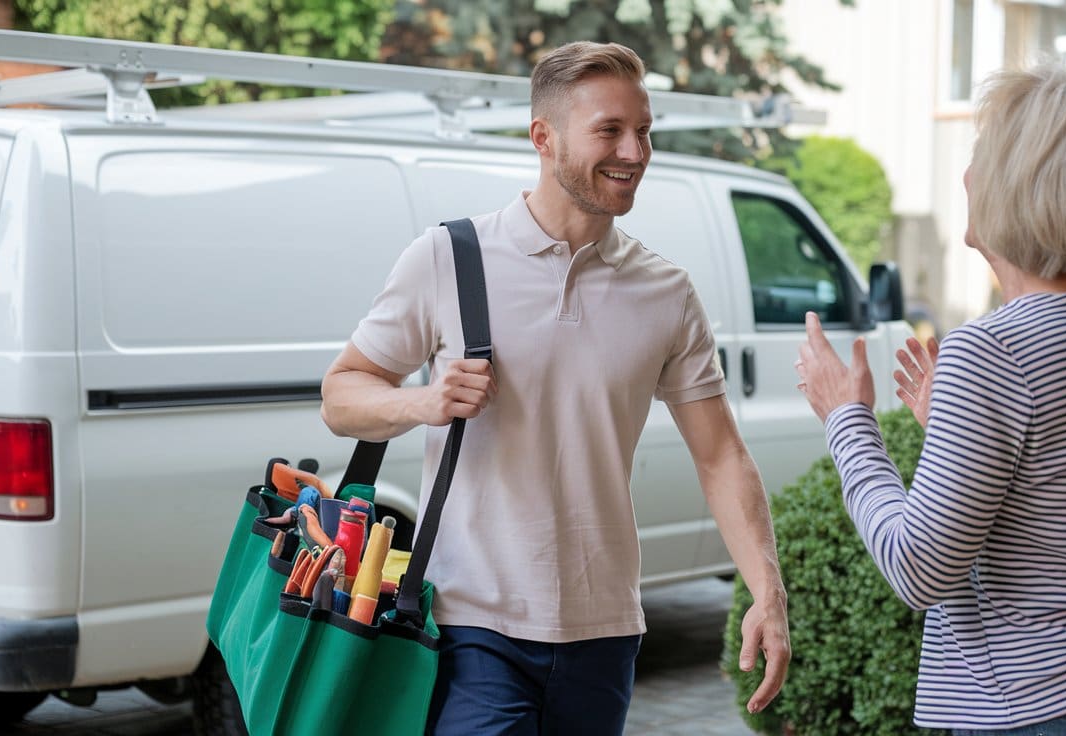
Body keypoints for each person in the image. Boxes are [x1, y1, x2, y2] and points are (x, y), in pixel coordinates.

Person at [320, 41, 789, 735]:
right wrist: (424, 402)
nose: (635, 151)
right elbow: (341, 394)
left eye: (644, 131)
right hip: (471, 623)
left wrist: (767, 592)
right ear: (543, 137)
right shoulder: (449, 259)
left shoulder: (666, 291)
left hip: (606, 633)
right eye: (609, 130)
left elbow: (721, 455)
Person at [795, 61, 1066, 735]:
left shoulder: (992, 352)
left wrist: (847, 419)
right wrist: (962, 431)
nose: (968, 174)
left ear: (1018, 185)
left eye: (981, 157)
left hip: (1044, 707)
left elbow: (917, 571)